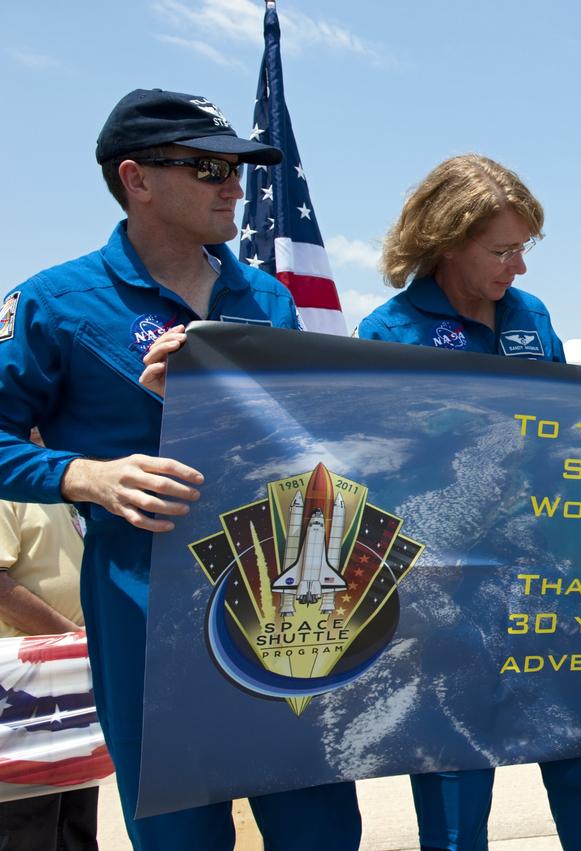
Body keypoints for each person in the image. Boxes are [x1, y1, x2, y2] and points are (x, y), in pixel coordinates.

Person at [0, 88, 361, 850]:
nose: (235, 186)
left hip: (279, 591)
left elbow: (308, 438)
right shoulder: (52, 301)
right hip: (141, 597)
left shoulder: (264, 296)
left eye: (238, 168)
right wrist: (85, 477)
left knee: (318, 822)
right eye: (208, 168)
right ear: (137, 179)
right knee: (179, 832)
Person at [358, 154, 581, 851]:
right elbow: (377, 475)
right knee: (455, 793)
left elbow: (561, 430)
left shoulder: (531, 317)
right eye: (502, 250)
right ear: (446, 240)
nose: (518, 268)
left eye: (524, 249)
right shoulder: (388, 332)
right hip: (444, 594)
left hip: (543, 581)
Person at [0, 429, 97, 850]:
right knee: (27, 824)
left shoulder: (58, 480)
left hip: (71, 676)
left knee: (76, 810)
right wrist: (69, 635)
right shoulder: (7, 484)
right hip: (23, 685)